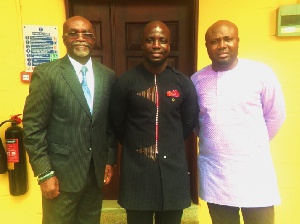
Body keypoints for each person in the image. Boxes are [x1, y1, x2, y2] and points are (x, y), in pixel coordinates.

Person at [22, 16, 117, 224]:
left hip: (95, 175)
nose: (81, 38)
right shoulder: (47, 74)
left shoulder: (107, 76)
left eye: (87, 34)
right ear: (64, 38)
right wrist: (44, 174)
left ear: (94, 39)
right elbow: (32, 129)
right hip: (60, 177)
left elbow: (109, 123)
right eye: (73, 33)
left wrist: (109, 159)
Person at [191, 20, 286, 224]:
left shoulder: (260, 74)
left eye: (228, 39)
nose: (222, 45)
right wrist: (215, 140)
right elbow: (196, 122)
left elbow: (276, 115)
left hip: (254, 172)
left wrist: (251, 144)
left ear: (237, 41)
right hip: (216, 174)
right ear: (206, 46)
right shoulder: (197, 81)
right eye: (215, 41)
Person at [109, 21, 198, 224]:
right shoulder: (125, 82)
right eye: (150, 40)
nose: (156, 45)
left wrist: (167, 142)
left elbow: (188, 122)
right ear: (142, 44)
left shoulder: (183, 83)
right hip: (137, 173)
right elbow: (117, 124)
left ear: (169, 45)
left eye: (162, 40)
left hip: (173, 173)